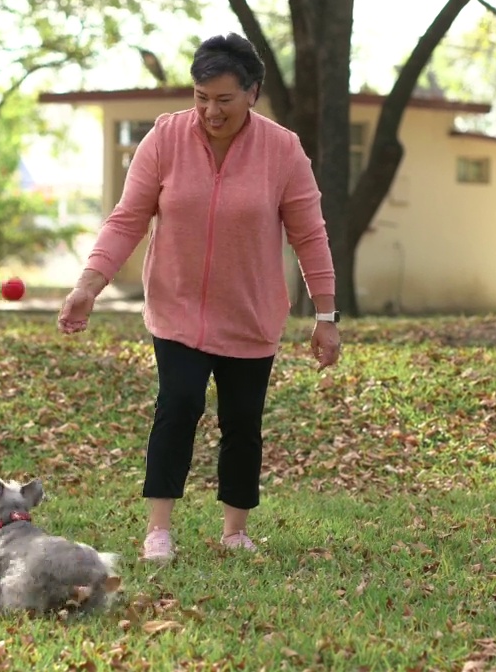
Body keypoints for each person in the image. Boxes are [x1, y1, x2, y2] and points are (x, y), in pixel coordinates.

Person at [57, 32, 341, 562]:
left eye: (224, 100)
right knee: (178, 404)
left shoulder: (282, 150)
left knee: (242, 422)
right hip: (178, 307)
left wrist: (325, 313)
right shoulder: (164, 140)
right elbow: (128, 218)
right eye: (200, 97)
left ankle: (235, 530)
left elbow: (310, 234)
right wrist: (87, 285)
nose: (210, 111)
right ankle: (158, 530)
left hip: (250, 314)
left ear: (252, 92)